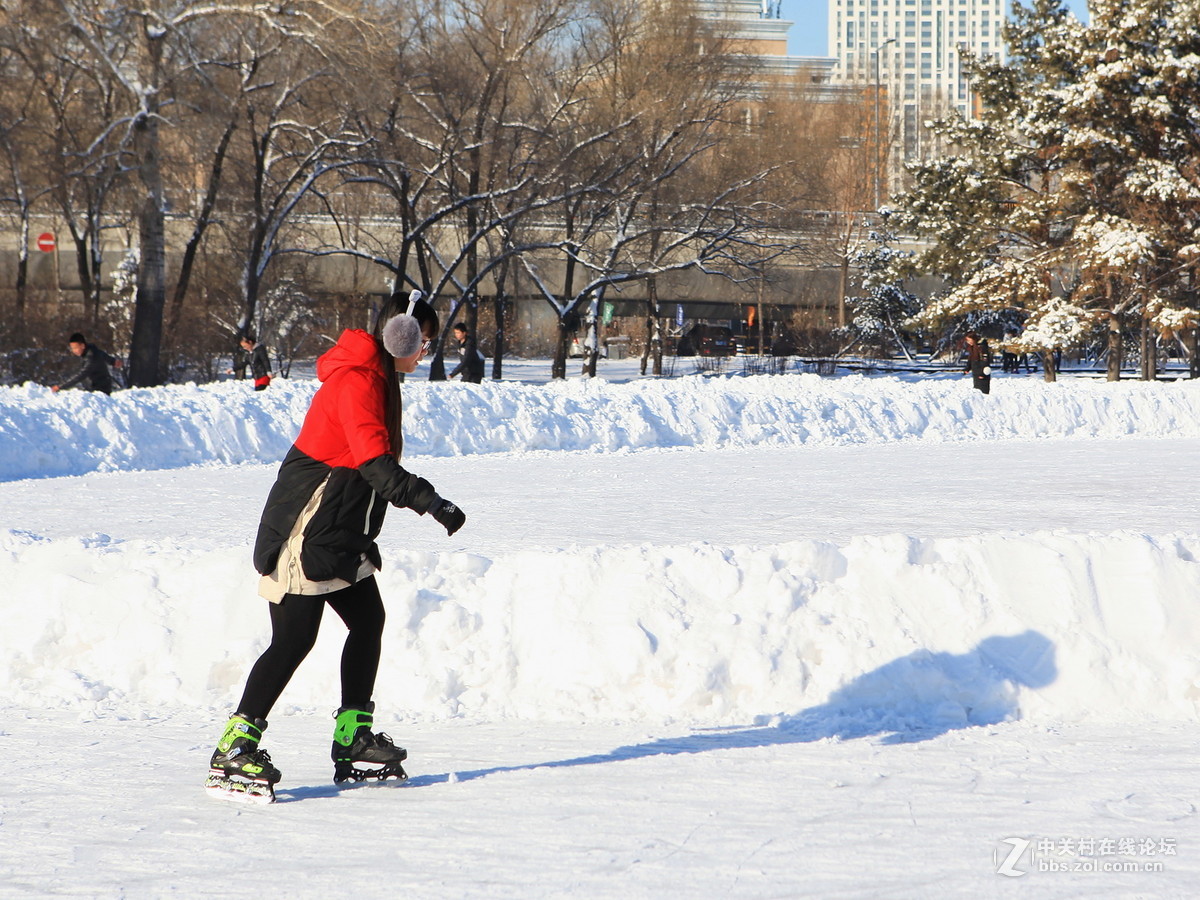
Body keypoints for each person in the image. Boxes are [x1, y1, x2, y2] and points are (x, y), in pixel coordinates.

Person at [206, 290, 467, 803]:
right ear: (402, 337)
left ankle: (352, 738)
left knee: (368, 621)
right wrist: (431, 503)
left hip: (342, 533)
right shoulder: (359, 381)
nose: (424, 354)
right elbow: (374, 463)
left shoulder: (378, 375)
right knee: (293, 641)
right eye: (425, 343)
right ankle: (234, 746)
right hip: (308, 530)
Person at [51, 332, 120, 394]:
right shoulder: (92, 350)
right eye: (72, 348)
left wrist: (60, 386)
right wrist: (113, 361)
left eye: (75, 348)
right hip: (100, 386)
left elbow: (81, 375)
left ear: (83, 346)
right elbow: (102, 354)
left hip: (100, 390)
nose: (73, 351)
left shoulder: (91, 358)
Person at [963, 330, 992, 394]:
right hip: (976, 372)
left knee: (983, 392)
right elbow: (971, 358)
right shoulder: (972, 347)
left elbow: (985, 361)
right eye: (967, 341)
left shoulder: (981, 346)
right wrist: (967, 368)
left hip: (982, 373)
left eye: (969, 340)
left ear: (973, 338)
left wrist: (983, 373)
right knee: (977, 392)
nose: (968, 342)